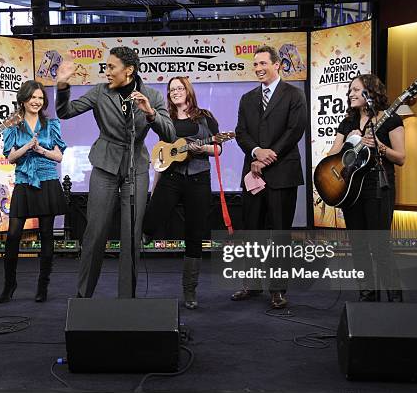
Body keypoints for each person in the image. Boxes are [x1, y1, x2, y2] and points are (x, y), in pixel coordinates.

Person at [56, 46, 175, 298]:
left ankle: (126, 301)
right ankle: (83, 297)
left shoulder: (151, 95)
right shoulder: (100, 92)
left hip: (136, 167)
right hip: (105, 165)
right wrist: (63, 87)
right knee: (95, 231)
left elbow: (170, 134)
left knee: (131, 237)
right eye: (106, 66)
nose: (106, 71)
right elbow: (65, 112)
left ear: (129, 70)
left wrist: (150, 113)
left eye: (111, 67)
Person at [233, 45, 307, 309]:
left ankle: (277, 289)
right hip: (252, 173)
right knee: (251, 230)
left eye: (263, 63)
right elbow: (241, 132)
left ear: (277, 65)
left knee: (279, 233)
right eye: (255, 64)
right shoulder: (247, 98)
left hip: (282, 173)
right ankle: (251, 284)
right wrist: (255, 151)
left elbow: (295, 129)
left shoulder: (294, 95)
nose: (258, 68)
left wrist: (268, 155)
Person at [142, 76, 221, 310]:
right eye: (171, 89)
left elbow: (217, 148)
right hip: (171, 178)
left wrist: (202, 148)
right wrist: (153, 189)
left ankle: (190, 290)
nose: (175, 92)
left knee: (195, 234)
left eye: (179, 88)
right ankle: (131, 270)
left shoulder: (205, 117)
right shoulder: (164, 118)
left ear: (188, 91)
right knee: (149, 223)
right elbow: (161, 157)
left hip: (198, 179)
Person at [326, 74, 405, 302]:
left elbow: (400, 158)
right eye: (349, 90)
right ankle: (367, 296)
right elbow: (331, 156)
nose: (350, 93)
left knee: (379, 245)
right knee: (359, 245)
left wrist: (380, 147)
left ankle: (395, 298)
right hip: (352, 190)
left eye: (355, 90)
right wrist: (349, 141)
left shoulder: (391, 120)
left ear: (370, 93)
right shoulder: (348, 123)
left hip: (377, 186)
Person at [0, 80, 68, 303]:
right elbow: (10, 157)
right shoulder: (12, 125)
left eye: (40, 98)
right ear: (23, 99)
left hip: (47, 181)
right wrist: (27, 147)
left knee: (46, 235)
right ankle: (9, 284)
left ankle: (42, 285)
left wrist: (41, 150)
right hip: (24, 182)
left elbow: (59, 156)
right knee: (13, 235)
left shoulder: (52, 124)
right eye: (33, 97)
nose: (37, 101)